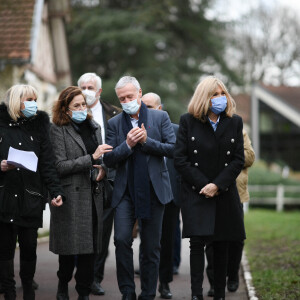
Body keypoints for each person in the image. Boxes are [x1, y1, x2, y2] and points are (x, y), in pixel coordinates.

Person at [103, 76, 175, 300]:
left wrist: (146, 141)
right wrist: (128, 145)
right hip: (125, 191)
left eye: (130, 97)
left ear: (140, 94)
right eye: (122, 98)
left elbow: (173, 149)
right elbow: (109, 158)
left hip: (154, 190)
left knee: (151, 247)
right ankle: (127, 291)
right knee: (122, 240)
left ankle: (148, 293)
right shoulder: (114, 123)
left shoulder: (160, 117)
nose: (126, 101)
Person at [174, 76, 245, 300]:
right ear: (204, 97)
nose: (220, 98)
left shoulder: (235, 122)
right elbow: (180, 159)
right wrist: (204, 184)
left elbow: (237, 159)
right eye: (214, 94)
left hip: (223, 192)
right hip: (197, 192)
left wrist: (217, 185)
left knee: (222, 244)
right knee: (197, 245)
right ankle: (196, 294)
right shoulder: (188, 121)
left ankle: (220, 295)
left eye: (222, 93)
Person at [0, 84, 64, 300]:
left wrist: (55, 190)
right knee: (5, 247)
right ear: (16, 101)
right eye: (29, 99)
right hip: (5, 196)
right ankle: (8, 290)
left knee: (29, 246)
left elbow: (47, 163)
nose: (33, 104)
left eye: (35, 99)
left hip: (31, 196)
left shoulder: (39, 126)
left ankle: (28, 287)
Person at [49, 86, 113, 300]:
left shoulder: (94, 127)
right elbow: (59, 165)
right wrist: (92, 158)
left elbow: (100, 160)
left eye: (83, 105)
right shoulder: (57, 129)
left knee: (90, 250)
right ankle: (62, 285)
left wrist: (103, 168)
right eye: (76, 105)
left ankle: (83, 292)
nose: (81, 109)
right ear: (65, 109)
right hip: (71, 197)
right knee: (68, 251)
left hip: (93, 195)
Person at [77, 72, 121, 296]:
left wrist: (107, 169)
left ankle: (95, 278)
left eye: (90, 87)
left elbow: (120, 148)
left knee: (102, 235)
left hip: (107, 182)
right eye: (83, 86)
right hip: (78, 180)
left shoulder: (113, 114)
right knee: (80, 231)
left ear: (99, 91)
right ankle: (78, 275)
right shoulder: (70, 113)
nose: (86, 90)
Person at [205, 129, 255, 297]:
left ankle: (233, 274)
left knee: (236, 239)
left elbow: (249, 157)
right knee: (211, 240)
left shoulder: (240, 131)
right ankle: (214, 281)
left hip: (236, 194)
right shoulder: (206, 129)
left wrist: (228, 154)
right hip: (212, 192)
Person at [141, 93, 181, 299]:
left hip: (170, 194)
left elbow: (182, 162)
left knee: (166, 240)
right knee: (147, 241)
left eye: (150, 106)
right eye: (143, 106)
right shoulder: (138, 132)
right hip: (147, 193)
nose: (146, 110)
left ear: (160, 108)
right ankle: (147, 284)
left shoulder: (176, 131)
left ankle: (164, 283)